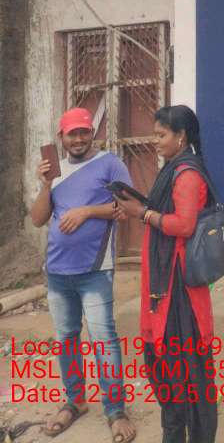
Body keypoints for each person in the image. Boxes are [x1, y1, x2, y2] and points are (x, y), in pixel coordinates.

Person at [30, 107, 136, 443]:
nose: (78, 139)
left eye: (84, 132)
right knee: (66, 339)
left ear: (92, 133)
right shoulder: (55, 171)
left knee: (103, 339)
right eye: (71, 133)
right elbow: (37, 219)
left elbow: (128, 207)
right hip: (57, 270)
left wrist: (87, 210)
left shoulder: (110, 164)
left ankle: (115, 410)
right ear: (60, 137)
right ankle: (75, 401)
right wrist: (46, 185)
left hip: (95, 270)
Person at [114, 105, 217, 443]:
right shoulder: (173, 169)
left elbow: (184, 225)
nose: (155, 140)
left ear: (181, 136)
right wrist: (140, 207)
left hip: (178, 290)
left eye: (161, 135)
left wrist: (142, 213)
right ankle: (173, 432)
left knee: (186, 373)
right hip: (165, 282)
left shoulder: (186, 174)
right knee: (170, 373)